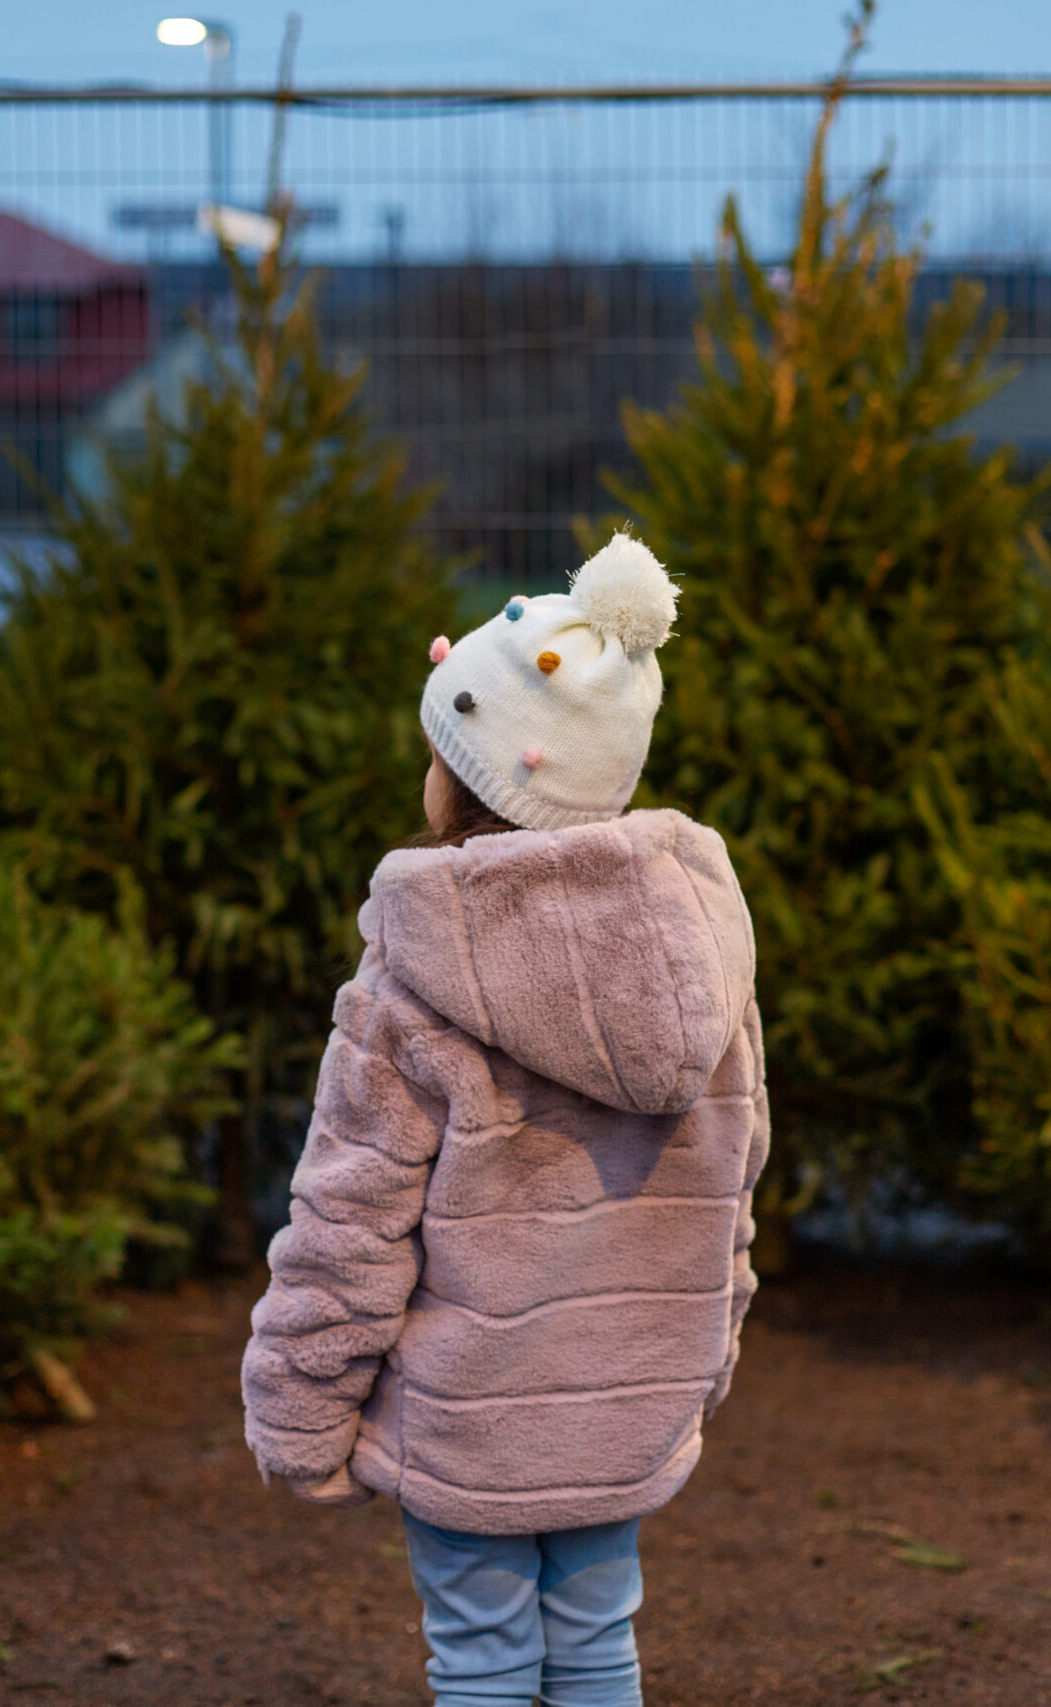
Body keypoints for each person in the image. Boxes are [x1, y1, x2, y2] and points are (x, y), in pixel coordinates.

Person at [240, 533, 768, 1707]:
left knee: (479, 1661)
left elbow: (348, 1215)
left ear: (462, 776)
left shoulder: (412, 972)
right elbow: (733, 1181)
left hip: (472, 1411)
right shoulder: (702, 953)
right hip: (628, 1399)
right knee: (595, 1652)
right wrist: (703, 1352)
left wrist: (298, 1408)